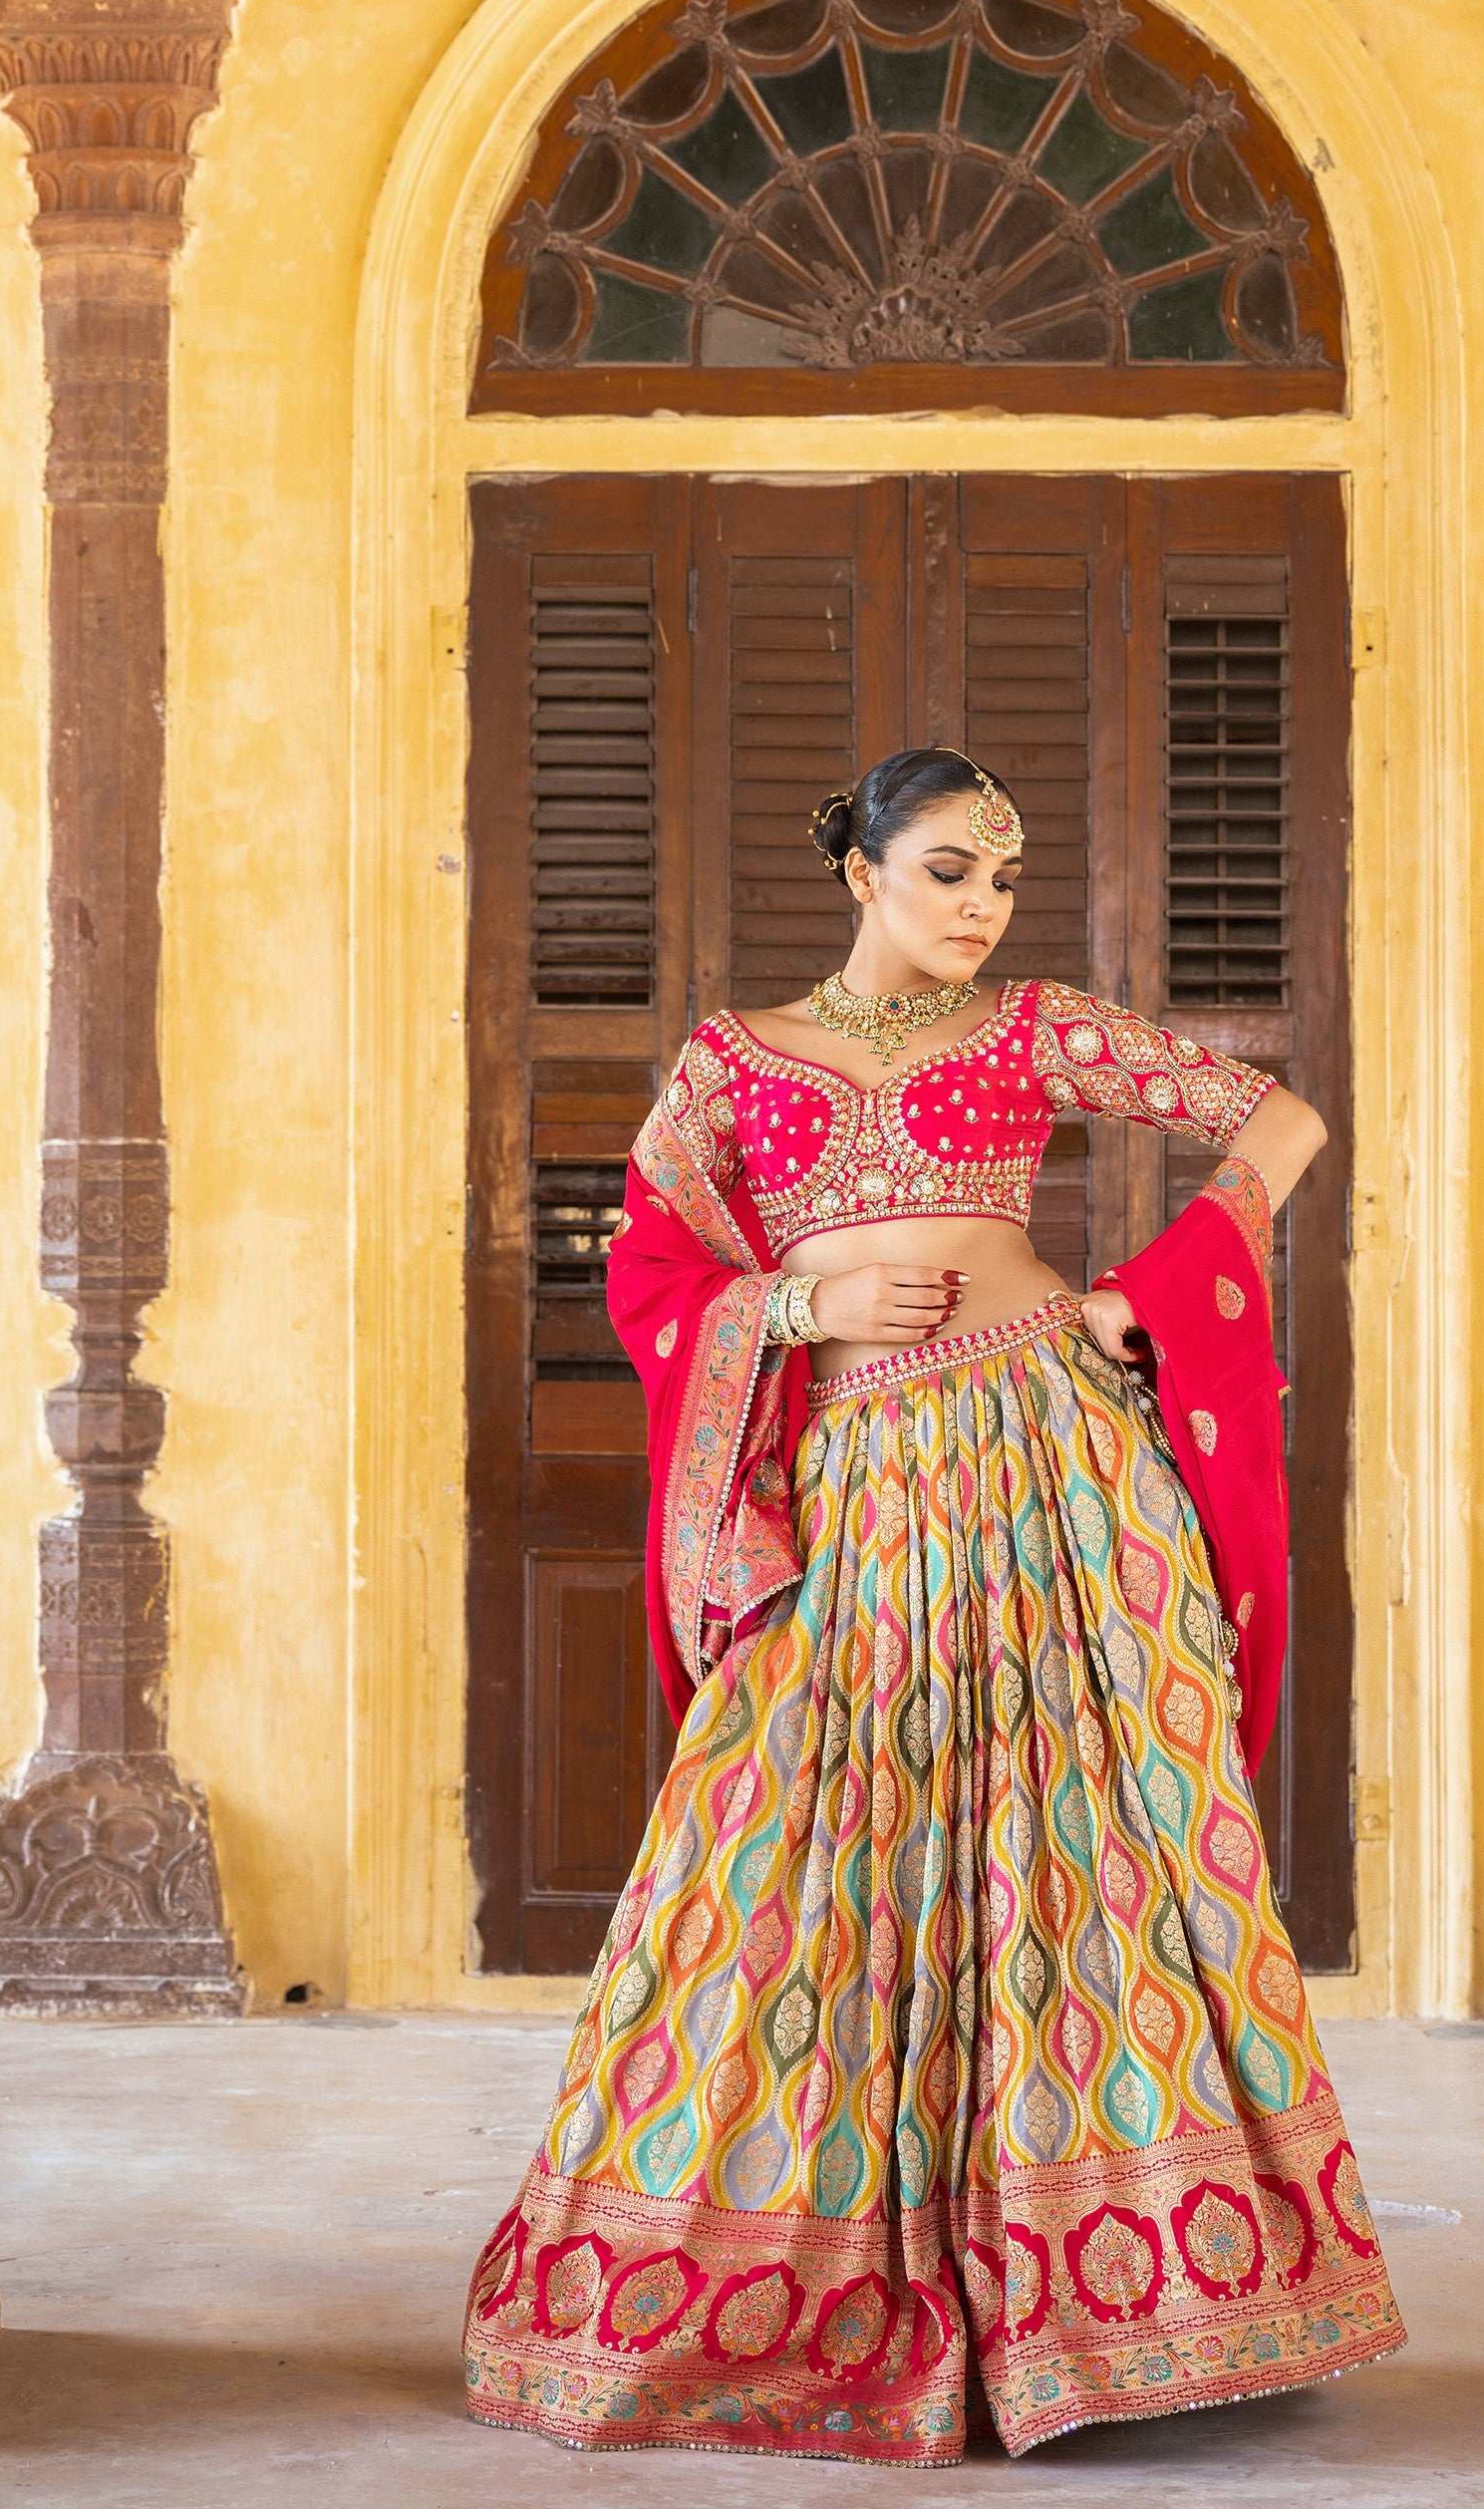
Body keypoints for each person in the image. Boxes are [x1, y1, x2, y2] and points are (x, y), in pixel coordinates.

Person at [463, 746, 1404, 2462]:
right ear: (862, 871)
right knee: (803, 1837)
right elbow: (650, 1270)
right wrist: (802, 1315)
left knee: (1096, 1838)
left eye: (1001, 881)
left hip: (1055, 1452)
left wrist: (1148, 1290)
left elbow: (1281, 1116)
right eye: (949, 870)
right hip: (866, 1477)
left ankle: (1129, 2297)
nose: (980, 908)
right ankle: (791, 2281)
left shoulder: (1037, 1026)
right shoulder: (731, 1063)